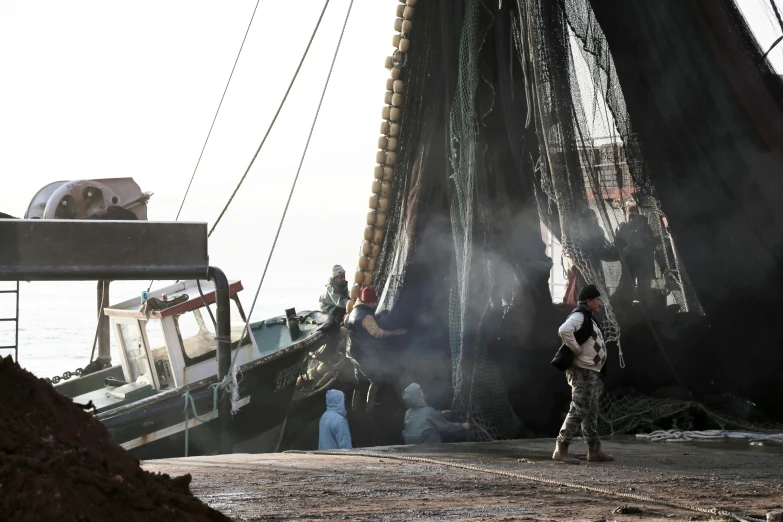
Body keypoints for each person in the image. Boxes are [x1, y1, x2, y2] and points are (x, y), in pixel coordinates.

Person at [553, 284, 614, 464]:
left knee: (591, 411)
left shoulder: (589, 318)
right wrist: (576, 348)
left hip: (591, 372)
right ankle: (561, 448)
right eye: (597, 300)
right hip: (582, 372)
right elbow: (564, 330)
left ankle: (594, 450)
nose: (600, 303)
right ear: (589, 301)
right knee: (580, 408)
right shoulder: (579, 316)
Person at [346, 286, 406, 412]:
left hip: (351, 352)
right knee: (376, 379)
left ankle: (355, 409)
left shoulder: (354, 312)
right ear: (368, 302)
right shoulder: (366, 316)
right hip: (362, 355)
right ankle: (370, 408)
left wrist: (378, 316)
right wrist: (395, 332)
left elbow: (362, 325)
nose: (375, 303)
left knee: (360, 382)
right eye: (373, 301)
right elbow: (377, 333)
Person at [613, 204, 658, 306]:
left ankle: (646, 309)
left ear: (638, 215)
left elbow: (647, 242)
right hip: (629, 263)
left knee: (644, 290)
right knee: (627, 288)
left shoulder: (644, 226)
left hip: (643, 262)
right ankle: (627, 308)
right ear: (626, 215)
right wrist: (623, 250)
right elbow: (617, 244)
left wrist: (633, 245)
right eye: (630, 215)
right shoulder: (622, 228)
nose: (632, 218)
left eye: (634, 215)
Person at [402, 383, 470, 445]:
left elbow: (420, 419)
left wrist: (439, 414)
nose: (423, 394)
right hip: (427, 449)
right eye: (421, 392)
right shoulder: (428, 412)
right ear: (418, 397)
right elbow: (445, 426)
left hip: (411, 448)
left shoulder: (408, 413)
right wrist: (462, 426)